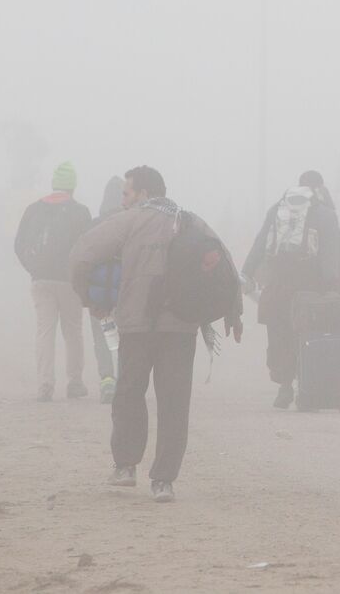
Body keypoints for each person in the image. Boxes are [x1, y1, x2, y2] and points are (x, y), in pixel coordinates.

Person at [69, 165, 243, 503]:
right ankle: (163, 481)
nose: (123, 200)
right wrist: (233, 312)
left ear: (144, 194)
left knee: (129, 393)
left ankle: (125, 467)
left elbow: (82, 255)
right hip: (181, 325)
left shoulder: (129, 221)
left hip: (136, 324)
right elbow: (227, 264)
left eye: (127, 193)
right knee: (174, 402)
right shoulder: (192, 221)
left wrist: (90, 299)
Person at [243, 171, 340, 409]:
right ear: (319, 187)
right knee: (308, 335)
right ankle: (307, 389)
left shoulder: (278, 209)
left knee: (280, 335)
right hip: (310, 285)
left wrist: (247, 272)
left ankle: (284, 387)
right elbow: (332, 250)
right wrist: (332, 285)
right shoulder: (325, 213)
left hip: (277, 283)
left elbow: (260, 242)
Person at [13, 161, 93, 402]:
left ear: (54, 184)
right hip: (70, 281)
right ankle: (74, 381)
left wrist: (33, 268)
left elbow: (19, 245)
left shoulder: (33, 209)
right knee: (73, 332)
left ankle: (45, 383)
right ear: (73, 187)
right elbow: (87, 247)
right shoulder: (80, 212)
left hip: (41, 280)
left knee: (44, 331)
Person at [87, 175, 125, 403]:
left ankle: (107, 380)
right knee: (124, 338)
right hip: (124, 293)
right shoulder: (132, 223)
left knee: (101, 337)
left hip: (98, 293)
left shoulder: (95, 224)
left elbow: (83, 259)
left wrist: (85, 293)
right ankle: (123, 380)